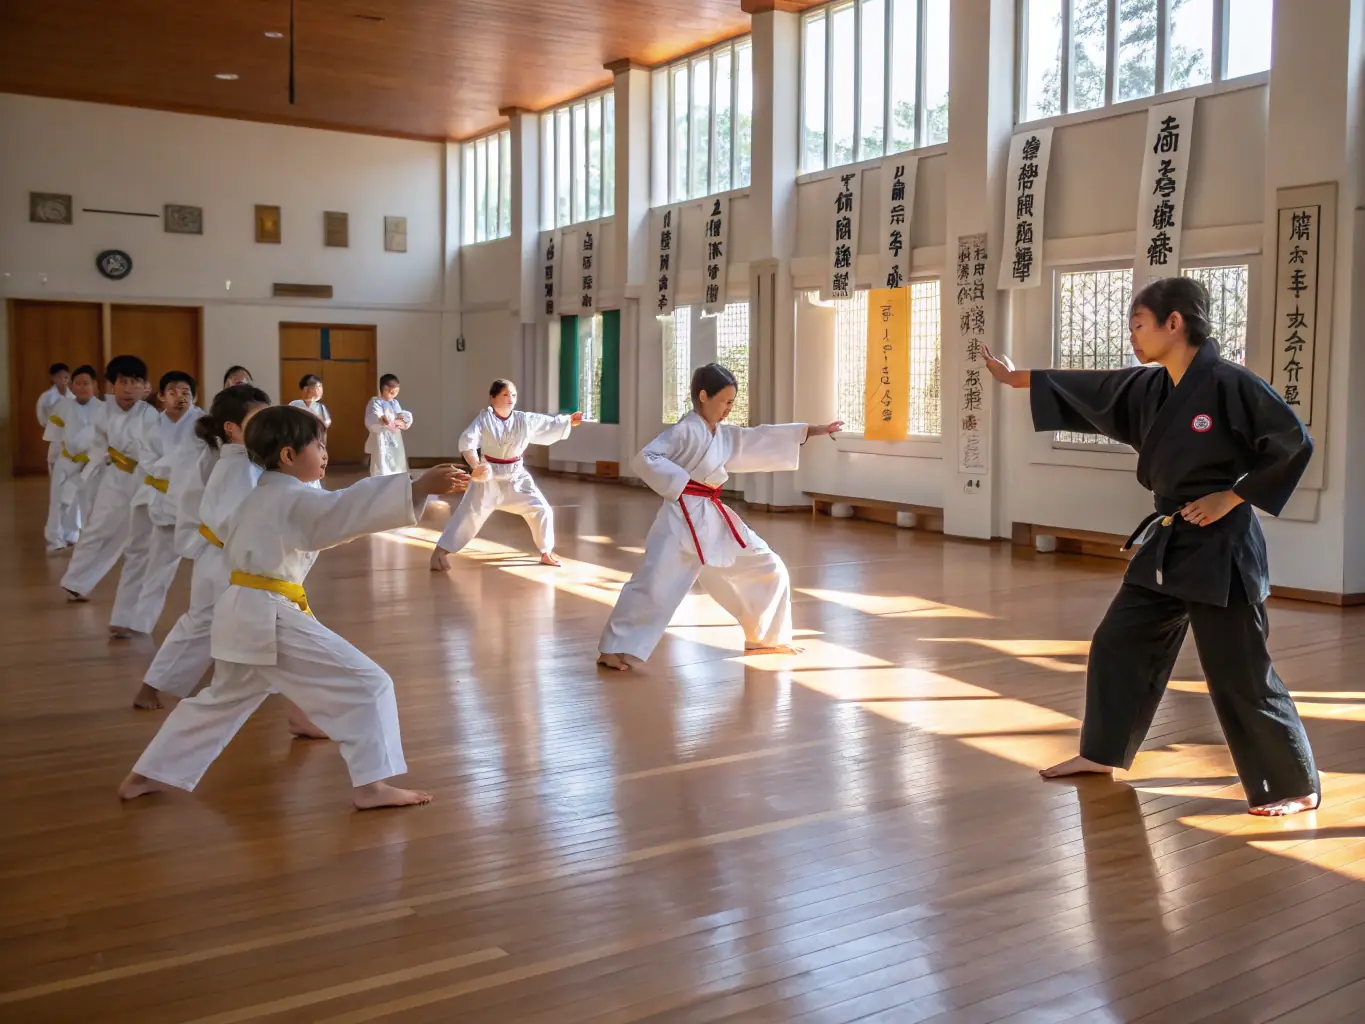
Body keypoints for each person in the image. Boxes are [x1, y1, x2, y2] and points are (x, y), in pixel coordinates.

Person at [982, 275, 1320, 817]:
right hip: (1169, 541)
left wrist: (1229, 498)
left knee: (1239, 669)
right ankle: (1101, 752)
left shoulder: (1231, 383)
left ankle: (1294, 783)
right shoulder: (1152, 386)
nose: (1133, 337)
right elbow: (1093, 387)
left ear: (1174, 323)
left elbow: (1291, 443)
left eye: (1139, 325)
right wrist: (1014, 378)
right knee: (1119, 641)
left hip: (1221, 547)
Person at [118, 406, 470, 810]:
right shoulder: (289, 498)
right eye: (318, 446)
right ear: (287, 456)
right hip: (266, 613)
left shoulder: (262, 495)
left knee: (221, 700)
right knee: (369, 684)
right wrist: (417, 486)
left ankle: (146, 773)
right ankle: (371, 786)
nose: (324, 453)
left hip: (240, 611)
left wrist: (416, 487)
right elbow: (343, 509)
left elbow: (334, 509)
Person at [597, 363, 842, 671]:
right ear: (703, 396)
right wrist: (682, 483)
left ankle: (764, 637)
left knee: (768, 565)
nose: (729, 409)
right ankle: (612, 649)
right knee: (654, 583)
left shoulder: (722, 435)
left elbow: (758, 438)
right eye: (725, 401)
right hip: (680, 519)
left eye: (732, 403)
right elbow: (645, 458)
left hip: (711, 515)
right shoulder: (684, 430)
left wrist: (811, 431)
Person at [134, 384, 272, 710]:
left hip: (230, 554)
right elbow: (233, 515)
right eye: (258, 418)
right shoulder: (230, 461)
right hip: (222, 556)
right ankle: (152, 687)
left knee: (250, 621)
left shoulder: (238, 456)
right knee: (203, 622)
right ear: (231, 428)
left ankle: (264, 688)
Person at [430, 379, 582, 570]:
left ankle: (546, 551)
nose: (510, 398)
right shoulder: (484, 419)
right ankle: (439, 553)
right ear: (492, 397)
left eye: (513, 395)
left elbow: (547, 423)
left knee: (541, 509)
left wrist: (568, 421)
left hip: (516, 476)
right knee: (468, 514)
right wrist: (475, 466)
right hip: (489, 476)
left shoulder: (523, 419)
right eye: (505, 394)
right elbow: (467, 442)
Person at [109, 371, 204, 639]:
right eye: (173, 391)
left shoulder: (202, 424)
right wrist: (176, 469)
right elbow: (147, 461)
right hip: (149, 494)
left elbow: (200, 464)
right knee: (136, 555)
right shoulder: (149, 424)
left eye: (186, 392)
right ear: (161, 396)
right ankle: (121, 617)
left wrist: (179, 473)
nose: (180, 397)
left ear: (193, 397)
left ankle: (140, 622)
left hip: (181, 502)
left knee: (162, 562)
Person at [60, 356, 160, 603]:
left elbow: (156, 450)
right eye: (122, 382)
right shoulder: (103, 411)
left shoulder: (149, 414)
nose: (128, 388)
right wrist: (85, 473)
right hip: (113, 478)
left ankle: (82, 583)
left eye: (135, 382)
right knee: (97, 529)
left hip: (141, 480)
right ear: (111, 386)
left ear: (144, 386)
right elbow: (94, 446)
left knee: (124, 536)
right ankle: (74, 579)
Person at [41, 365, 101, 551]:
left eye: (86, 383)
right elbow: (55, 435)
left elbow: (106, 440)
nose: (82, 387)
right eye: (78, 383)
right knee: (60, 500)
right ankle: (57, 538)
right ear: (72, 386)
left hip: (91, 462)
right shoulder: (62, 406)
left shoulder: (104, 409)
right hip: (66, 460)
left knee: (89, 501)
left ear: (94, 386)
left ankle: (86, 537)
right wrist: (52, 458)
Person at [364, 374, 412, 476]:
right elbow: (376, 416)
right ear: (385, 389)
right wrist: (385, 421)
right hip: (381, 435)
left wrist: (402, 419)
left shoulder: (394, 402)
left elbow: (399, 413)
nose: (394, 396)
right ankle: (382, 478)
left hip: (394, 435)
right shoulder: (375, 402)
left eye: (396, 393)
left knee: (397, 456)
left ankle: (398, 475)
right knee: (382, 457)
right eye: (392, 392)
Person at [37, 362, 72, 474]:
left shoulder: (74, 397)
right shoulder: (46, 398)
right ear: (52, 378)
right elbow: (41, 416)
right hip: (55, 438)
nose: (62, 380)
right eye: (58, 377)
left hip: (72, 438)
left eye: (65, 376)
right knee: (56, 473)